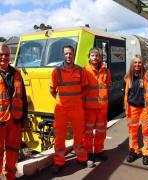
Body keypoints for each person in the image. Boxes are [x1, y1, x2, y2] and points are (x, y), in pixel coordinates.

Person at [50, 45, 93, 173]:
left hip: (76, 108)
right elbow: (52, 90)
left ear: (74, 55)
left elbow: (84, 88)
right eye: (66, 54)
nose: (68, 56)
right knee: (59, 136)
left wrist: (76, 100)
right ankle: (59, 162)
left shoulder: (81, 71)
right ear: (63, 55)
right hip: (61, 108)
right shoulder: (56, 71)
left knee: (80, 134)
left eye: (70, 54)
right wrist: (61, 100)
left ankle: (82, 158)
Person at [0, 43, 28, 180]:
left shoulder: (17, 73)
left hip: (15, 119)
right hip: (0, 120)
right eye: (1, 54)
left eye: (6, 54)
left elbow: (23, 96)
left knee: (12, 150)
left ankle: (10, 176)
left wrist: (24, 117)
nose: (4, 57)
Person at [124, 54, 148, 165]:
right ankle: (133, 151)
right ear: (132, 64)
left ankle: (146, 153)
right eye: (135, 62)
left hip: (145, 107)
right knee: (132, 131)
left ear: (142, 64)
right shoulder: (128, 77)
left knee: (147, 131)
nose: (137, 64)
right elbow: (126, 92)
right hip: (132, 107)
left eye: (139, 62)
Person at [83, 48, 111, 161]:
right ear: (89, 57)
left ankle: (99, 151)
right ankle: (89, 152)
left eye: (97, 56)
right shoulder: (85, 71)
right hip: (89, 108)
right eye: (93, 55)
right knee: (88, 132)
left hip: (102, 108)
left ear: (100, 57)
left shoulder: (106, 71)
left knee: (101, 131)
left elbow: (107, 86)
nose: (95, 58)